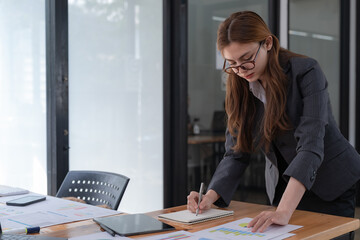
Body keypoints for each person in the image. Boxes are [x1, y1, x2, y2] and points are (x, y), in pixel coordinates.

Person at [187, 11, 360, 240]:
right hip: (284, 186)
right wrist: (210, 195)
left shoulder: (306, 72)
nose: (241, 70)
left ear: (267, 43)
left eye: (247, 58)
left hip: (330, 181)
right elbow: (236, 152)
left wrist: (283, 210)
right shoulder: (240, 83)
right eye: (233, 64)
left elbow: (310, 146)